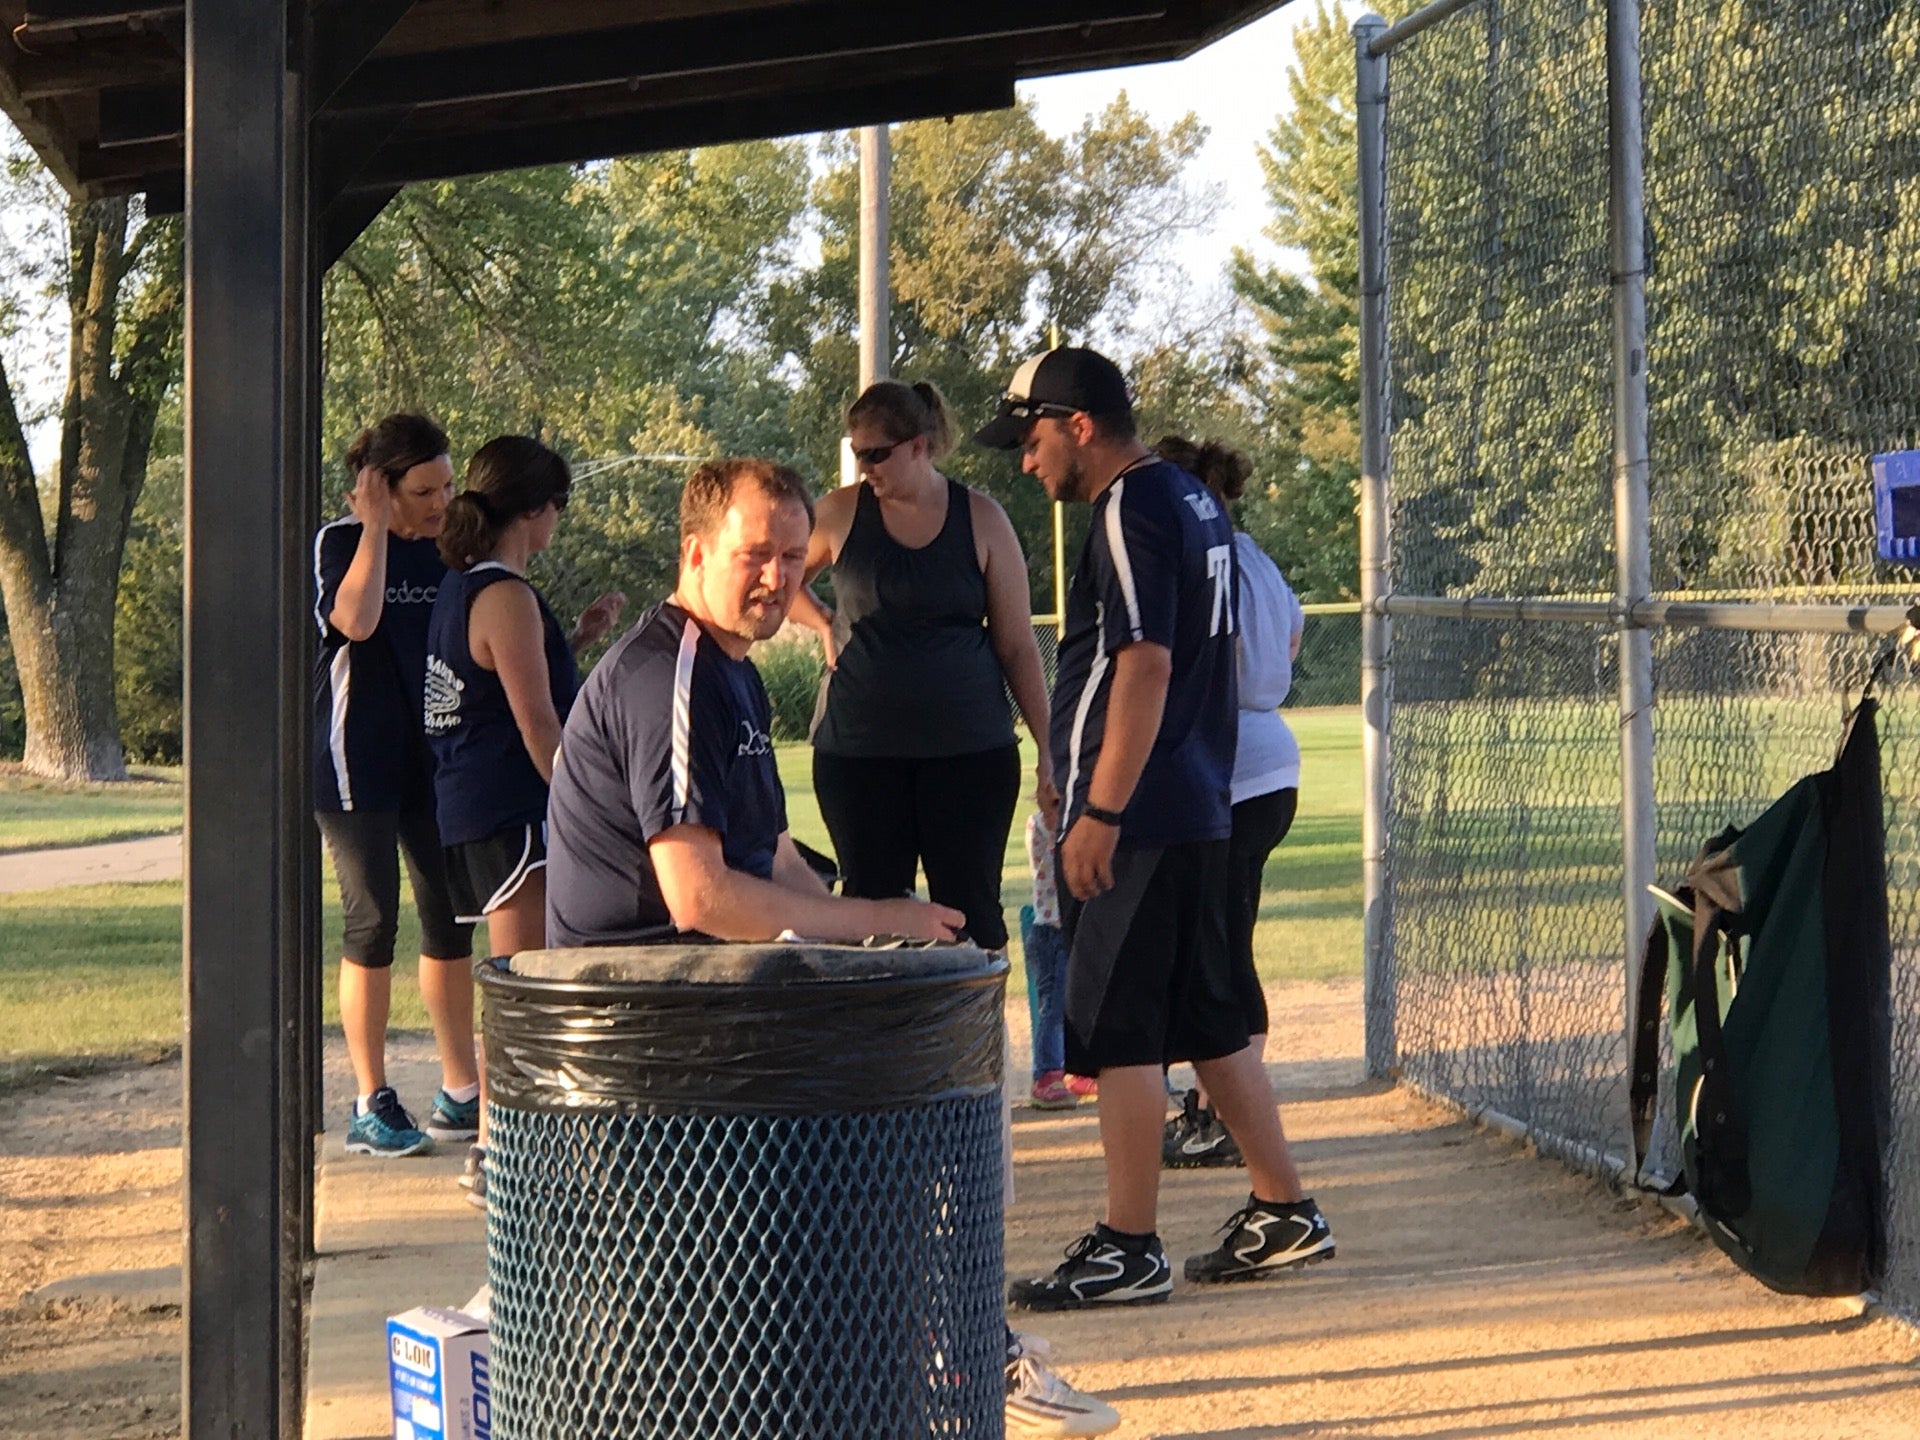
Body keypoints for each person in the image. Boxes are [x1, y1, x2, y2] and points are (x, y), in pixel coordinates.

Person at [543, 456, 1118, 1437]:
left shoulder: (727, 671)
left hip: (710, 1006)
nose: (777, 578)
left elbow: (774, 860)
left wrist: (885, 939)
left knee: (937, 1037)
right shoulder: (668, 674)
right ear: (695, 553)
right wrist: (878, 918)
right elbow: (699, 896)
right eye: (753, 556)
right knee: (896, 1111)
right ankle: (959, 1350)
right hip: (658, 1039)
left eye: (790, 556)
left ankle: (959, 1345)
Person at [974, 348, 1334, 1308]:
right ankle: (1285, 1209)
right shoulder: (1191, 497)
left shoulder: (1131, 502)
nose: (1027, 460)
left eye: (1033, 438)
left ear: (1080, 425)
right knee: (1207, 1016)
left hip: (1145, 806)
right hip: (1196, 797)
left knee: (1120, 1025)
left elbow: (1144, 663)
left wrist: (1100, 809)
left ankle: (1128, 1245)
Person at [424, 434, 624, 1204]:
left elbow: (494, 682)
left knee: (518, 981)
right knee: (523, 987)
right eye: (558, 507)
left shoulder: (464, 586)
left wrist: (577, 639)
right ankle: (500, 1151)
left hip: (470, 805)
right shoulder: (507, 595)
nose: (558, 521)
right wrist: (591, 812)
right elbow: (539, 725)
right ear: (537, 510)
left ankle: (506, 1144)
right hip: (511, 809)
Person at [790, 380, 1055, 958]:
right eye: (857, 453)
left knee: (971, 914)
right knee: (872, 915)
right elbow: (780, 581)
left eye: (876, 454)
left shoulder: (983, 518)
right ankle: (882, 1023)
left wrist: (1048, 750)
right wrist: (821, 620)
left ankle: (975, 1019)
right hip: (859, 755)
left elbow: (1016, 645)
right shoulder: (837, 512)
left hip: (969, 754)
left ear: (919, 446)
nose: (864, 466)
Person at [312, 413, 475, 1158]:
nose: (442, 503)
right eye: (424, 490)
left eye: (448, 487)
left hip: (432, 761)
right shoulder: (338, 544)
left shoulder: (450, 553)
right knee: (373, 921)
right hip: (357, 758)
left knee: (451, 919)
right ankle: (369, 1101)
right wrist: (376, 527)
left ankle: (461, 1090)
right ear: (380, 487)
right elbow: (357, 620)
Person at [1152, 436, 1307, 1170]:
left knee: (1214, 950)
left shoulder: (1198, 553)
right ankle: (1217, 1104)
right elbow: (1294, 635)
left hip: (1228, 765)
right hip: (1272, 759)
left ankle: (1221, 1114)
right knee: (1226, 939)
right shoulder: (1255, 555)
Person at [1021, 811, 1076, 1109]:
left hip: (1071, 930)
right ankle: (1046, 1074)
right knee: (1054, 1010)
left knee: (1078, 1006)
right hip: (1052, 932)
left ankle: (1076, 1067)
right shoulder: (1043, 823)